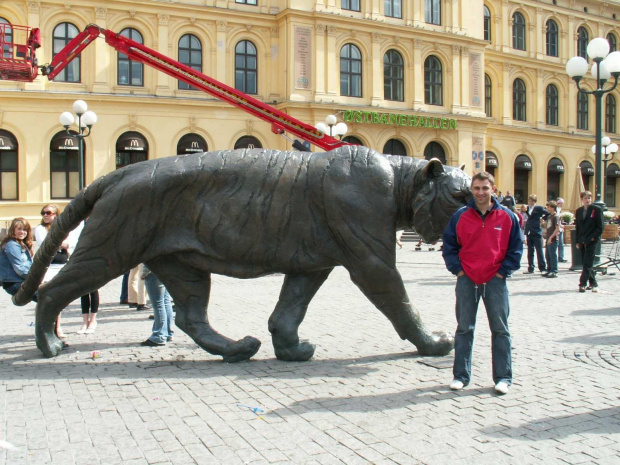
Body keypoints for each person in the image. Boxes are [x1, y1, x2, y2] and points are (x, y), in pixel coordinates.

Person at [442, 172, 522, 395]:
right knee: (464, 329)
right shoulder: (460, 216)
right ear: (472, 190)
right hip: (467, 280)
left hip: (495, 281)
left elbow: (516, 248)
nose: (481, 192)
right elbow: (449, 246)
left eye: (485, 188)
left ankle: (503, 377)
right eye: (476, 188)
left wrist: (502, 273)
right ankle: (460, 376)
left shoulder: (507, 217)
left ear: (493, 189)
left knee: (500, 330)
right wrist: (458, 270)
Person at [34, 204, 83, 338]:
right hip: (48, 267)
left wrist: (61, 244)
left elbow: (70, 243)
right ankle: (44, 327)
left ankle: (57, 326)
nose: (45, 215)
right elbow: (46, 243)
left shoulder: (61, 228)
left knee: (58, 298)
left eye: (48, 213)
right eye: (43, 213)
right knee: (46, 298)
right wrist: (61, 243)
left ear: (56, 215)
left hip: (61, 265)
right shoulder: (40, 229)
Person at [575, 191, 604, 292]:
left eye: (589, 198)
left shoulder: (596, 210)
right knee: (585, 262)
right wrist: (577, 241)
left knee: (587, 262)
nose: (587, 200)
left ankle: (582, 283)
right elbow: (578, 227)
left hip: (591, 240)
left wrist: (593, 237)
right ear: (582, 199)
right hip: (582, 240)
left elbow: (600, 227)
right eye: (585, 198)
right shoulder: (579, 211)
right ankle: (593, 283)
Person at [0, 218, 36, 300]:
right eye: (19, 229)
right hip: (14, 283)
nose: (22, 232)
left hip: (21, 280)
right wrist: (35, 279)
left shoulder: (21, 244)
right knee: (46, 297)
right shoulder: (12, 245)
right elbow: (19, 268)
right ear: (13, 230)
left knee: (49, 297)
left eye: (24, 230)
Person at [140, 264, 174, 346]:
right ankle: (168, 333)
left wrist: (144, 273)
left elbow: (149, 257)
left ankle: (159, 336)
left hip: (154, 271)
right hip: (167, 270)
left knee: (158, 304)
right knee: (166, 302)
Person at [524, 194, 548, 274]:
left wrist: (542, 218)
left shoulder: (538, 208)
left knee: (539, 250)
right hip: (529, 231)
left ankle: (542, 268)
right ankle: (531, 267)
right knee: (530, 251)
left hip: (537, 231)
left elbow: (547, 213)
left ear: (535, 201)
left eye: (532, 201)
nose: (530, 202)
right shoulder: (527, 208)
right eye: (530, 201)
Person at [543, 201, 560, 278]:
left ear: (553, 208)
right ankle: (549, 269)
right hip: (548, 237)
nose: (547, 208)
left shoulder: (556, 216)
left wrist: (550, 237)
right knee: (548, 255)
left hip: (553, 239)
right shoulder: (549, 216)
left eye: (549, 207)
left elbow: (557, 228)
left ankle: (554, 270)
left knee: (552, 255)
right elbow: (547, 227)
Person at [556, 197, 567, 262]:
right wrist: (560, 225)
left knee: (561, 244)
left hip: (560, 229)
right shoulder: (556, 210)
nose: (561, 204)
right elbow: (557, 220)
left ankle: (561, 257)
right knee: (559, 243)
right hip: (557, 229)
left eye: (562, 203)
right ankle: (560, 257)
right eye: (560, 203)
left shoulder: (560, 210)